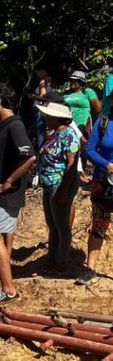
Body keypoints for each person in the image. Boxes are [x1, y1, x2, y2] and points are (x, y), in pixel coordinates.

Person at [0, 84, 35, 304]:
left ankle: (8, 288)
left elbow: (30, 156)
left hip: (5, 194)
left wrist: (8, 182)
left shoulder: (15, 125)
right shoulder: (2, 126)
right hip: (0, 192)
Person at [35, 100, 80, 275]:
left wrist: (63, 190)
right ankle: (52, 259)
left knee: (61, 225)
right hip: (49, 185)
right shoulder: (54, 134)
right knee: (52, 224)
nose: (45, 117)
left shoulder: (68, 134)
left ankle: (62, 261)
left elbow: (71, 164)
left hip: (60, 185)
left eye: (48, 115)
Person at [77, 107, 113, 285]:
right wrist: (107, 165)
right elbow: (90, 150)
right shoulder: (104, 122)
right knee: (99, 223)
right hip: (103, 182)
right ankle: (90, 268)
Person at [63, 70, 101, 137]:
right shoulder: (65, 93)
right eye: (71, 80)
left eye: (75, 80)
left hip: (83, 125)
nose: (72, 82)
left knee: (82, 142)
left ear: (81, 82)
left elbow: (97, 109)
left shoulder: (87, 92)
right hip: (68, 124)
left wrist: (90, 122)